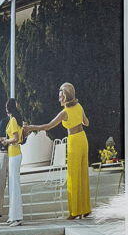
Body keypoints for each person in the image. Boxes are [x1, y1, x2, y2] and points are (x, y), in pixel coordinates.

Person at [26, 82, 92, 220]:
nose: (59, 99)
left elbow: (48, 126)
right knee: (83, 175)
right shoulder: (79, 106)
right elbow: (87, 123)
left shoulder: (64, 113)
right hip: (83, 139)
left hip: (74, 140)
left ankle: (74, 212)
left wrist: (31, 127)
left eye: (60, 96)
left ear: (66, 97)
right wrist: (79, 117)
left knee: (73, 176)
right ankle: (85, 209)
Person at [0, 98, 25, 224]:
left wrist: (6, 141)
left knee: (14, 186)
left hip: (14, 153)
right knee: (13, 185)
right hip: (13, 153)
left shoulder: (13, 120)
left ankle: (17, 217)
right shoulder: (14, 119)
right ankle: (13, 215)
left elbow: (15, 138)